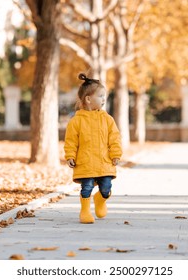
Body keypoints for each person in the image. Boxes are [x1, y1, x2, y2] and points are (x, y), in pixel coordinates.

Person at [64, 73, 122, 224]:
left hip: (104, 162)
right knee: (87, 187)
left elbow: (114, 138)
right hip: (86, 161)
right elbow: (71, 141)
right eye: (101, 96)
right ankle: (84, 211)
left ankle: (100, 200)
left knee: (106, 188)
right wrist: (70, 156)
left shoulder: (107, 119)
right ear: (88, 99)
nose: (104, 99)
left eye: (104, 96)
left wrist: (115, 154)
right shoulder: (76, 121)